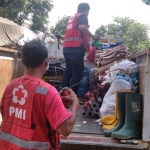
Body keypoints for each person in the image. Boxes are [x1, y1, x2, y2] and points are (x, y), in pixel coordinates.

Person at [0, 40, 79, 150]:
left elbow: (12, 117)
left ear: (22, 61)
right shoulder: (48, 92)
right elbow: (66, 129)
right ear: (46, 62)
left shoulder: (10, 87)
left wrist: (56, 105)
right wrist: (75, 105)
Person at [60, 3, 100, 94]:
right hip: (75, 49)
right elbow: (82, 27)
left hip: (67, 48)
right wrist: (93, 36)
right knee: (77, 73)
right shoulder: (82, 15)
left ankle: (61, 93)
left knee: (68, 71)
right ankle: (72, 95)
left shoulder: (72, 18)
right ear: (86, 10)